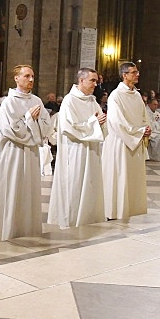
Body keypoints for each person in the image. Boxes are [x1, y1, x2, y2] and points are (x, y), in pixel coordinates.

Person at [0, 65, 52, 240]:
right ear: (16, 78)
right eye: (27, 76)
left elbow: (46, 126)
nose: (31, 80)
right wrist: (29, 119)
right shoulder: (9, 102)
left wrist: (32, 121)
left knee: (29, 191)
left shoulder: (37, 101)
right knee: (13, 191)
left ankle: (29, 232)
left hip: (31, 153)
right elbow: (10, 130)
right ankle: (9, 232)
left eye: (32, 76)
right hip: (13, 153)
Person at [48, 68, 107, 228]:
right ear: (81, 81)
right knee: (75, 183)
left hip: (92, 149)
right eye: (92, 80)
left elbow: (100, 124)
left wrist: (100, 122)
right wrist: (94, 123)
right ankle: (72, 220)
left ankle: (88, 218)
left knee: (90, 183)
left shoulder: (92, 101)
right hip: (75, 150)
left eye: (96, 80)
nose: (96, 84)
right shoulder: (70, 100)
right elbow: (69, 127)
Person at [102, 62, 151, 219]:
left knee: (132, 177)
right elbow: (117, 122)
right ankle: (116, 210)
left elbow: (144, 116)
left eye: (137, 72)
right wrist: (138, 132)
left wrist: (146, 128)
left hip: (135, 140)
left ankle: (132, 208)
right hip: (121, 141)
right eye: (133, 72)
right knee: (120, 176)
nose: (137, 74)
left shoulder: (136, 95)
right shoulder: (116, 96)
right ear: (124, 75)